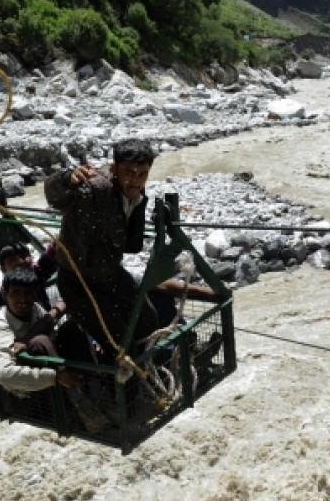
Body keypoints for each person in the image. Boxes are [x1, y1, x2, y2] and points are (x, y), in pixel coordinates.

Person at [44, 137, 217, 362]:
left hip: (109, 273)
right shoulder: (95, 188)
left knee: (147, 318)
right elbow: (56, 196)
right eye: (129, 172)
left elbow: (131, 245)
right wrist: (66, 178)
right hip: (79, 282)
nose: (134, 180)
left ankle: (169, 362)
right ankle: (138, 386)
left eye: (142, 174)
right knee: (118, 339)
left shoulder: (137, 196)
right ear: (114, 169)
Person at [0, 266, 110, 432]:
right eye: (16, 293)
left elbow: (54, 342)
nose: (22, 299)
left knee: (71, 329)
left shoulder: (35, 310)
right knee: (40, 341)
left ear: (35, 294)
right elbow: (6, 375)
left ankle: (99, 396)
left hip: (53, 381)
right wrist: (55, 377)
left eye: (27, 293)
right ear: (4, 294)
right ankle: (82, 407)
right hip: (24, 393)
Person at [0, 241, 57, 331]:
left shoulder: (36, 277)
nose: (20, 261)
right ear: (3, 269)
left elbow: (52, 255)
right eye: (12, 260)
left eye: (24, 256)